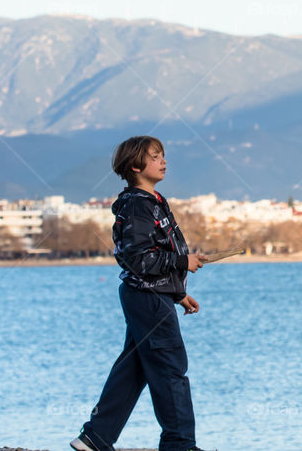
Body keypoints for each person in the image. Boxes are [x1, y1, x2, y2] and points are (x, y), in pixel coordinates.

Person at [71, 136, 209, 451]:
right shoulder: (138, 205)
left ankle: (95, 437)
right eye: (156, 156)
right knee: (171, 367)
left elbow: (148, 261)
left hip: (152, 296)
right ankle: (179, 443)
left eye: (163, 155)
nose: (164, 161)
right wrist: (182, 262)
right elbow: (138, 258)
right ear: (136, 166)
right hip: (146, 299)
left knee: (134, 369)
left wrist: (176, 292)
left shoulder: (152, 200)